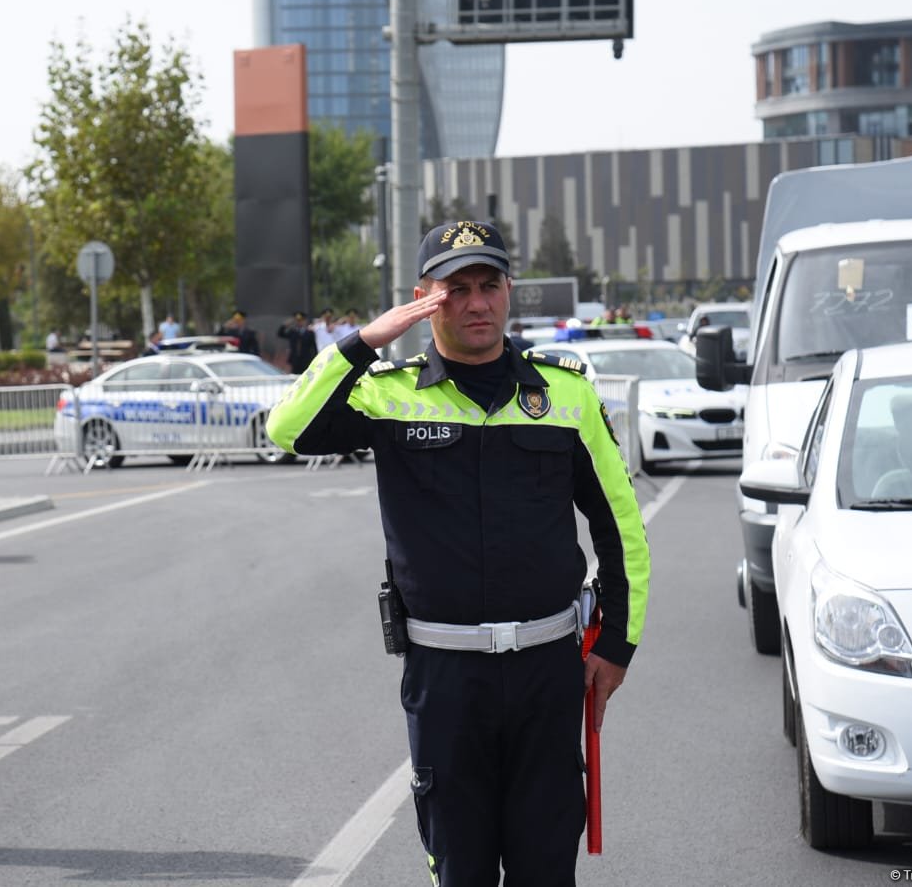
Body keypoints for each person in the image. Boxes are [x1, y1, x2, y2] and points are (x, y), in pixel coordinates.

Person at [266, 220, 651, 886]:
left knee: (545, 870)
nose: (476, 303)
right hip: (444, 676)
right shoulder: (387, 392)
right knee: (460, 870)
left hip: (547, 672)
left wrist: (615, 644)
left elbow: (621, 528)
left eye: (489, 285)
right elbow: (287, 428)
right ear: (426, 298)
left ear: (508, 291)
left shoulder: (565, 392)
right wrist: (362, 342)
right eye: (456, 289)